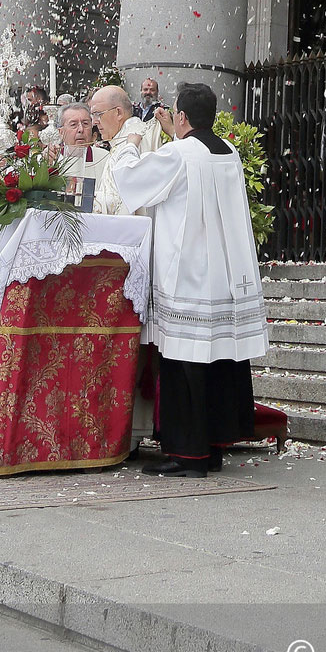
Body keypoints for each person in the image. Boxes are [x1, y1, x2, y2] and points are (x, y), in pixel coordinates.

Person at [110, 82, 267, 478]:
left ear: (181, 116)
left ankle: (187, 455)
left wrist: (130, 141)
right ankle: (212, 448)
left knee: (185, 366)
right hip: (223, 278)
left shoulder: (178, 154)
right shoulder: (227, 150)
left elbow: (129, 178)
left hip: (188, 277)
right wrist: (173, 135)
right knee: (218, 362)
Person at [91, 83, 165, 213]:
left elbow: (116, 201)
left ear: (118, 112)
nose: (94, 122)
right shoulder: (132, 133)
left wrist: (78, 199)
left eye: (98, 114)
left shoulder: (128, 143)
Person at [56, 101, 108, 210]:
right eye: (73, 125)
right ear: (61, 132)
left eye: (85, 124)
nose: (81, 129)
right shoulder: (51, 159)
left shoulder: (105, 158)